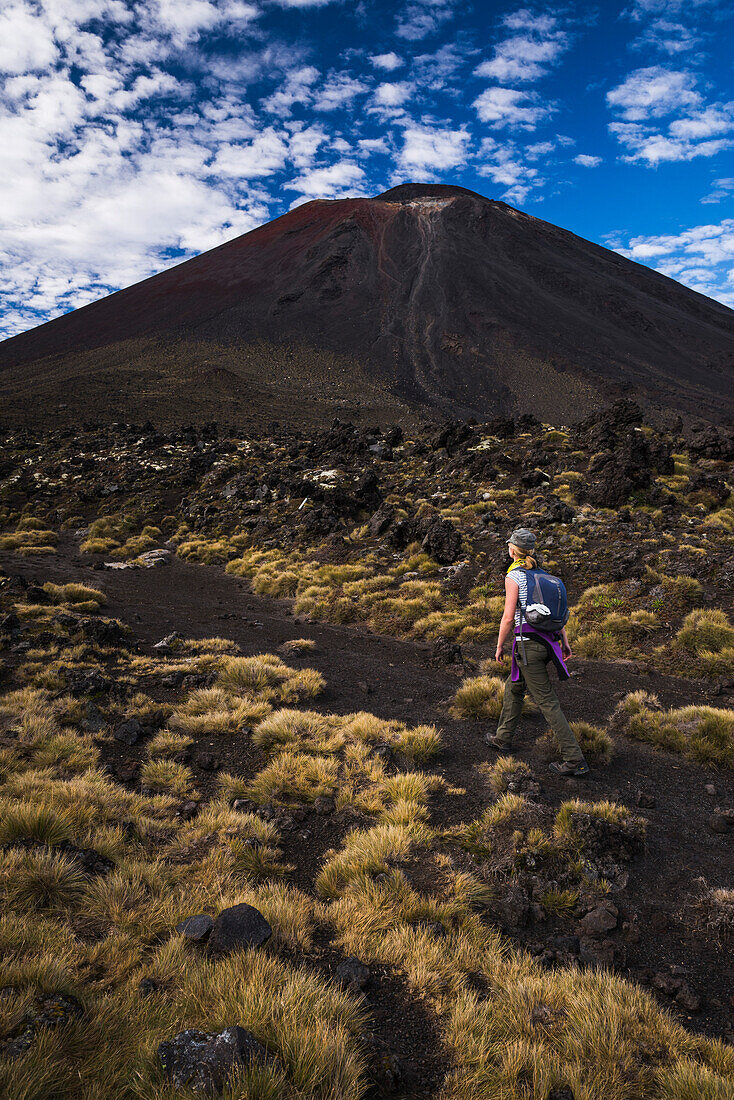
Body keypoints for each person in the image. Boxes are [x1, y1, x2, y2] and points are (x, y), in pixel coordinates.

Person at [485, 527, 589, 777]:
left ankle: (575, 759)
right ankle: (503, 738)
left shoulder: (515, 577)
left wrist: (499, 646)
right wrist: (564, 640)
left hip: (527, 645)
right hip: (547, 642)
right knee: (514, 687)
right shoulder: (548, 578)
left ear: (512, 550)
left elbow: (509, 617)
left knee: (547, 702)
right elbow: (556, 615)